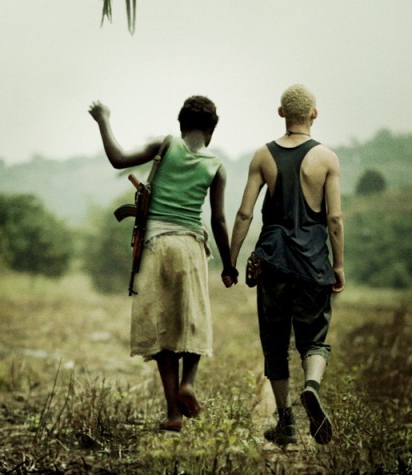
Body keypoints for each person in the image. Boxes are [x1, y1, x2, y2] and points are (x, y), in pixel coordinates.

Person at [89, 96, 238, 432]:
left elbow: (117, 158)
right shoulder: (217, 167)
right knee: (194, 320)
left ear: (181, 125)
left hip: (156, 246)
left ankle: (173, 414)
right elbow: (218, 220)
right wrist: (229, 265)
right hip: (191, 246)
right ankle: (189, 382)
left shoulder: (164, 145)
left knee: (162, 329)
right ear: (211, 131)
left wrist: (103, 119)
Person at [228, 84, 345, 445]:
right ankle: (311, 386)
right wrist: (338, 266)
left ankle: (286, 422)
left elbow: (245, 213)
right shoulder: (327, 158)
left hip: (274, 262)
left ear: (281, 113)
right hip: (313, 264)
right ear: (314, 114)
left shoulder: (263, 156)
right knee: (314, 339)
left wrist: (231, 261)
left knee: (275, 344)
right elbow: (335, 219)